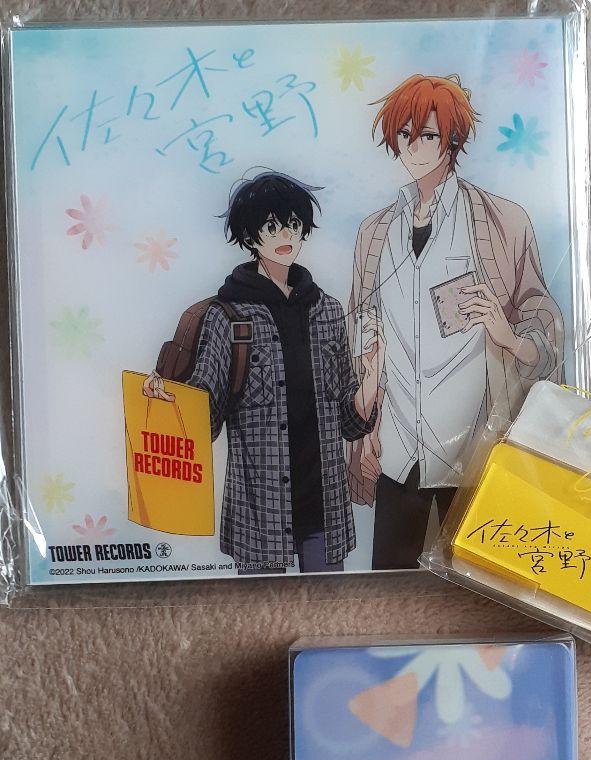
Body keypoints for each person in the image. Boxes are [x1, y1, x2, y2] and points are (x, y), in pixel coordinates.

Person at [348, 73, 563, 570]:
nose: (414, 147)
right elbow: (357, 338)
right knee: (387, 592)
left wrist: (510, 337)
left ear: (453, 140)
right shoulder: (374, 233)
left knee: (485, 589)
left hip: (473, 453)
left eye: (428, 134)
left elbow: (545, 322)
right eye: (405, 134)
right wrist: (363, 426)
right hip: (397, 451)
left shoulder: (502, 221)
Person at [144, 170, 378, 574]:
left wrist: (371, 379)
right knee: (260, 606)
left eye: (293, 224)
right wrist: (169, 399)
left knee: (329, 605)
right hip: (260, 512)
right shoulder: (228, 317)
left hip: (324, 507)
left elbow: (348, 422)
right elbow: (205, 417)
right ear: (250, 236)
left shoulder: (328, 311)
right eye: (271, 226)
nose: (285, 234)